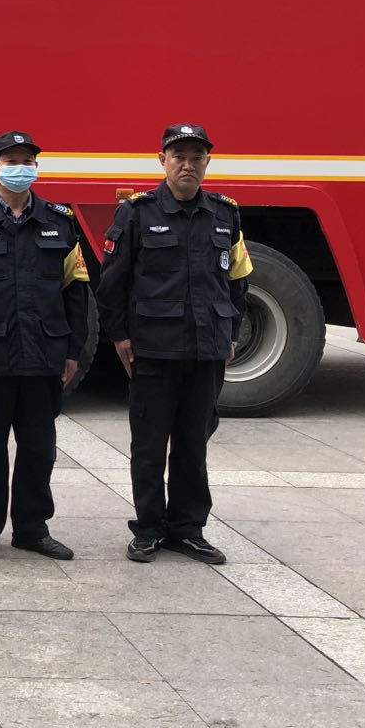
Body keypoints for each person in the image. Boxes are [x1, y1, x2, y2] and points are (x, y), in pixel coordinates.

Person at [97, 122, 252, 565]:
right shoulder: (137, 212)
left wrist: (231, 332)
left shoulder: (224, 214)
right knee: (149, 446)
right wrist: (120, 336)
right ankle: (148, 529)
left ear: (207, 162)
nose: (188, 165)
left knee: (193, 444)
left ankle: (188, 529)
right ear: (162, 161)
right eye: (179, 156)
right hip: (155, 348)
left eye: (196, 157)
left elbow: (237, 280)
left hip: (206, 350)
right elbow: (112, 284)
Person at [0, 130, 91, 563]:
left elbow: (76, 291)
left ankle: (32, 529)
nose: (20, 168)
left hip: (44, 355)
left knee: (39, 449)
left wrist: (73, 350)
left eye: (27, 161)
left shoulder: (60, 222)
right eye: (11, 161)